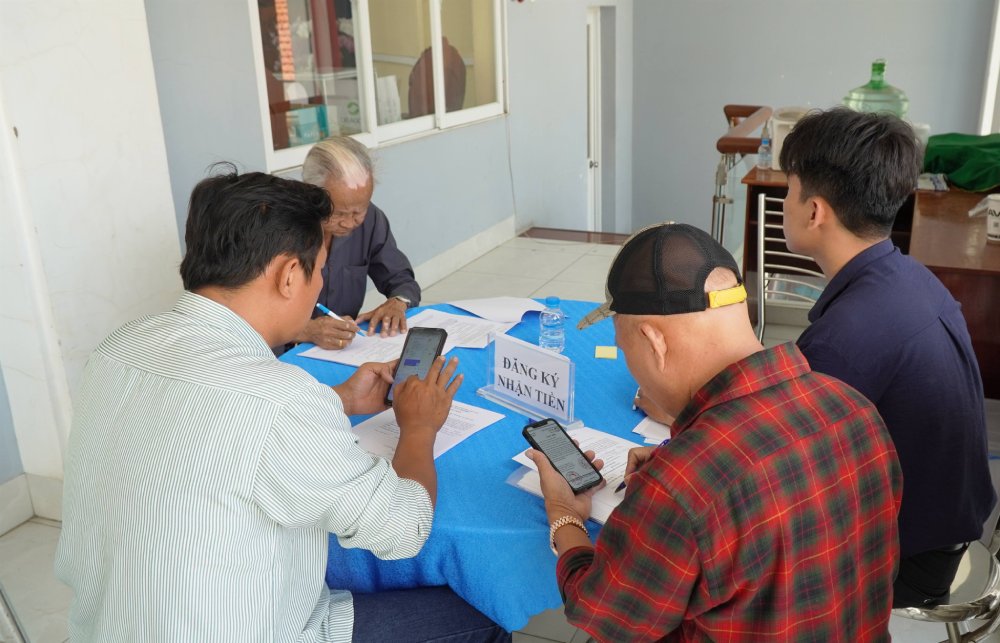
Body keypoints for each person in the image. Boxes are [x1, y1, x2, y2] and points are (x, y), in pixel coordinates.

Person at [54, 168, 509, 643]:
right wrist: (419, 428)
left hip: (106, 628)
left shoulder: (119, 347)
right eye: (320, 270)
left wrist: (342, 398)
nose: (319, 286)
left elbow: (204, 426)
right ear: (290, 275)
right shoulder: (280, 397)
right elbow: (404, 529)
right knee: (485, 619)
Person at [531, 223, 903, 641]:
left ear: (654, 340)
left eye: (624, 348)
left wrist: (563, 512)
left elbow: (603, 615)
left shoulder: (682, 483)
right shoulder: (855, 409)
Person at [779, 108, 997, 608]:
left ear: (815, 211)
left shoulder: (843, 340)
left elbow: (782, 473)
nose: (785, 203)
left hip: (909, 561)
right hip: (952, 527)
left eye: (789, 190)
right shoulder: (908, 276)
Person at [297, 136, 420, 349]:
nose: (349, 223)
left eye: (358, 211)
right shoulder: (278, 227)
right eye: (338, 213)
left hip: (342, 348)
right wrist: (306, 330)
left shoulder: (371, 219)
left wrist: (398, 302)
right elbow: (245, 313)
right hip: (278, 354)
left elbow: (399, 277)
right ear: (311, 193)